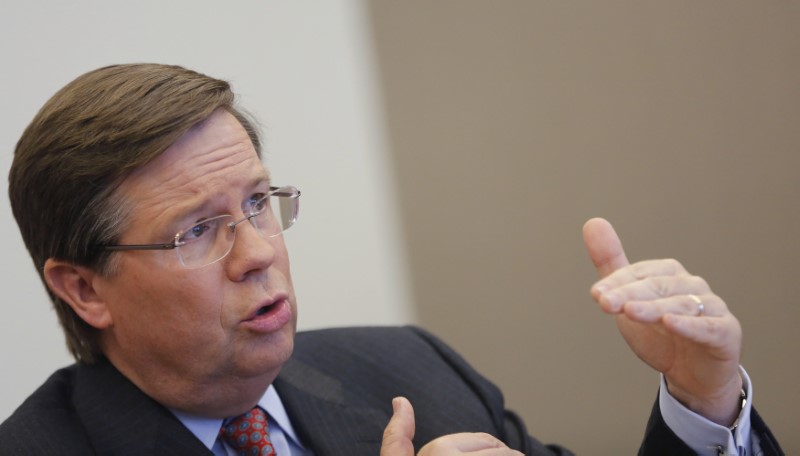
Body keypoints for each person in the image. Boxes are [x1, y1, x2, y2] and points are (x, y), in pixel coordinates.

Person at [0, 63, 783, 456]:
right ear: (83, 288)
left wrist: (701, 401)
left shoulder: (410, 369)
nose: (261, 252)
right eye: (197, 232)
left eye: (257, 204)